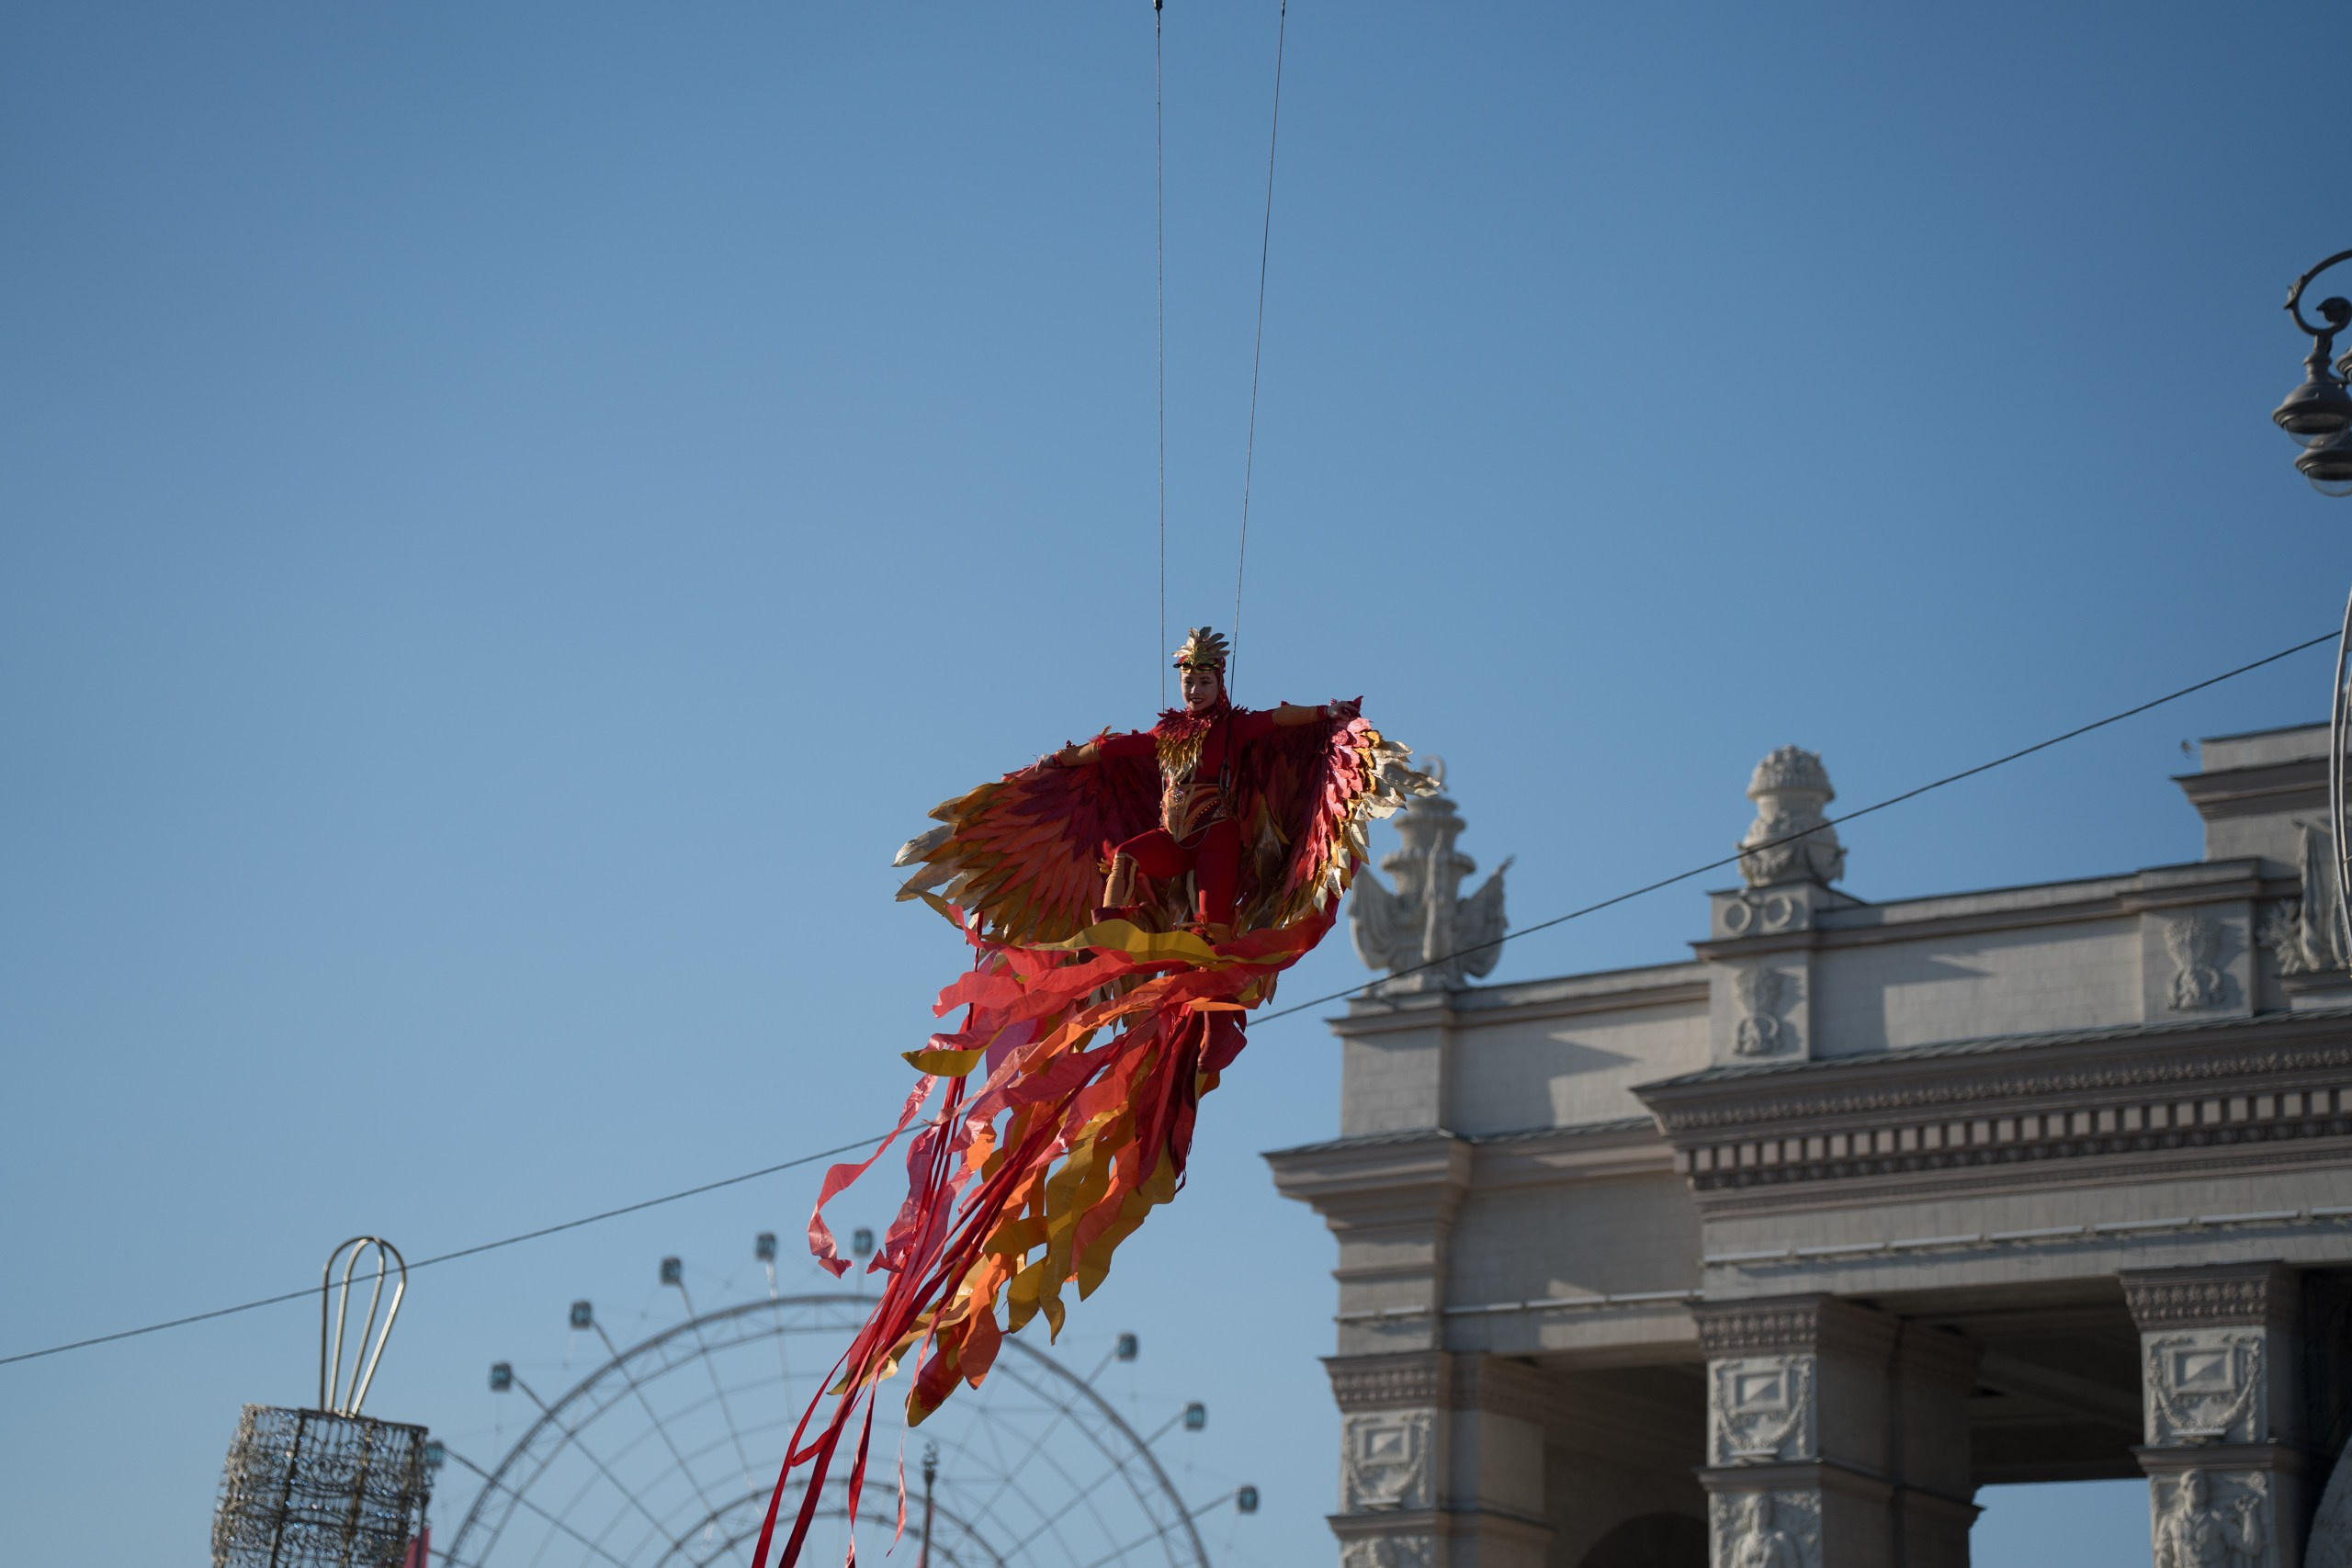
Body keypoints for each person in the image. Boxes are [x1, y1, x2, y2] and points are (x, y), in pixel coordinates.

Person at [1051, 626, 1358, 939]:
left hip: (1216, 838)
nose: (1195, 690)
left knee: (1213, 928)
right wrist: (1060, 759)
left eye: (1204, 682)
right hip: (1172, 837)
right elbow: (1110, 749)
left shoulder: (1233, 727)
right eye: (1188, 682)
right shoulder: (1166, 732)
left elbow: (1276, 718)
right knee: (1125, 856)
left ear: (1219, 683)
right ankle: (1106, 934)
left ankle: (1216, 977)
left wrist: (1324, 712)